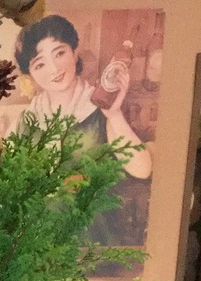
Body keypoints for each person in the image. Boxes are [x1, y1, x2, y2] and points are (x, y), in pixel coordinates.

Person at [13, 14, 151, 180]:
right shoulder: (28, 120)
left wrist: (115, 115)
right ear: (30, 74)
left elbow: (142, 170)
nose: (54, 69)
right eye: (40, 64)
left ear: (74, 52)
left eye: (59, 54)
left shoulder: (100, 106)